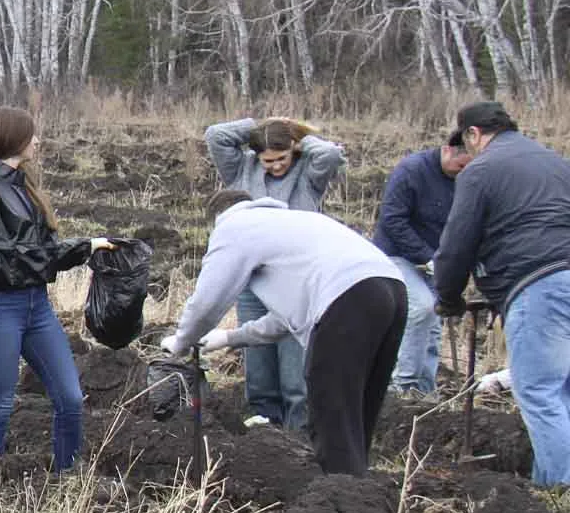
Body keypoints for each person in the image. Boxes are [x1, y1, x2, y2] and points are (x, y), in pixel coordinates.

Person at [162, 191, 406, 476]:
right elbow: (288, 318)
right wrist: (229, 338)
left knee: (331, 414)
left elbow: (207, 303)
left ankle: (340, 506)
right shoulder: (290, 222)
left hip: (348, 297)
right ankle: (362, 495)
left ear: (215, 221)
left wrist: (182, 340)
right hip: (392, 289)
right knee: (359, 412)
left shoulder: (233, 227)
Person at [0, 107, 113, 473]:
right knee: (0, 403)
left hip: (36, 307)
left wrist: (90, 246)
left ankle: (66, 474)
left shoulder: (24, 187)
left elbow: (40, 256)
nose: (37, 140)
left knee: (70, 397)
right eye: (32, 135)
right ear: (15, 139)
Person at [434, 101, 570, 487]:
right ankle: (548, 486)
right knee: (563, 393)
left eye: (465, 142)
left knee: (539, 391)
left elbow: (457, 243)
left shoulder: (481, 171)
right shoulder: (556, 163)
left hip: (541, 284)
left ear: (474, 134)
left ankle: (561, 495)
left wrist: (448, 295)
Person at [203, 115, 347, 429]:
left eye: (282, 158)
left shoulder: (308, 174)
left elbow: (332, 155)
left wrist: (298, 134)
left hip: (296, 280)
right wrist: (260, 126)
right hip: (252, 277)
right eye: (268, 160)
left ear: (293, 151)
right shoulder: (241, 170)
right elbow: (216, 135)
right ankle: (263, 418)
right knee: (257, 352)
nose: (276, 166)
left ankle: (299, 426)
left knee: (294, 355)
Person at [372, 133, 473, 393]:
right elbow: (393, 221)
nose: (465, 172)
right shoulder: (412, 170)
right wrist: (426, 257)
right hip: (396, 256)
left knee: (435, 324)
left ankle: (425, 391)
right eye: (462, 166)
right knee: (422, 309)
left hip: (435, 259)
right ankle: (402, 386)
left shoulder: (466, 181)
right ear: (448, 150)